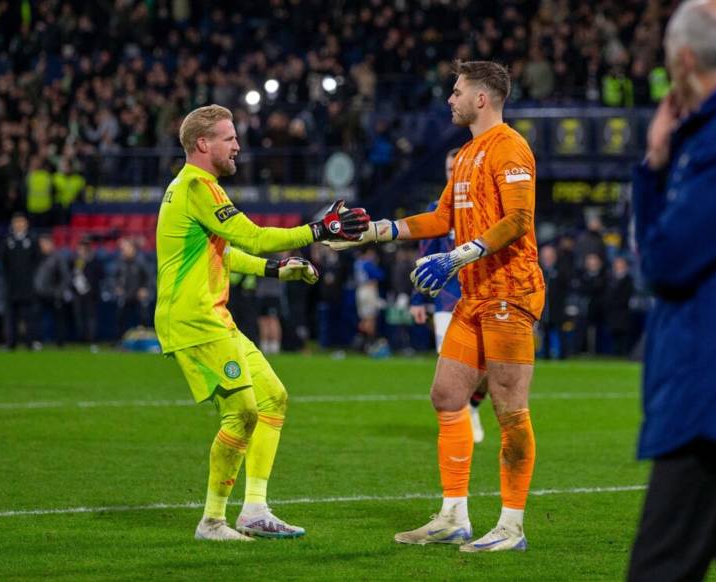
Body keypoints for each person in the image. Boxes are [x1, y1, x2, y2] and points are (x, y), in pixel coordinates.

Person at [329, 60, 544, 552]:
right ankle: (454, 516)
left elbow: (519, 219)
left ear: (482, 98)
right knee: (447, 395)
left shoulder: (509, 147)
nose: (450, 98)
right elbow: (440, 216)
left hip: (510, 290)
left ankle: (512, 525)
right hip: (474, 293)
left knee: (510, 410)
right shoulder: (467, 154)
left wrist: (460, 254)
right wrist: (378, 231)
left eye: (457, 90)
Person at [155, 104, 369, 542]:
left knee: (272, 399)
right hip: (193, 320)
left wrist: (274, 270)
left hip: (213, 316)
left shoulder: (196, 188)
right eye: (229, 137)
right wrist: (318, 230)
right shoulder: (198, 186)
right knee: (243, 412)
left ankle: (254, 510)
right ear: (203, 144)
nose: (237, 145)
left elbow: (225, 252)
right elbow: (253, 236)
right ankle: (212, 521)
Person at [627, 1, 716, 580]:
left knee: (659, 569)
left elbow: (665, 263)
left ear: (683, 61)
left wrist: (654, 167)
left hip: (713, 401)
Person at [410, 147, 487, 443]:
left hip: (482, 296)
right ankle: (457, 425)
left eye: (456, 169)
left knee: (487, 371)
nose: (451, 175)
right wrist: (419, 299)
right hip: (446, 299)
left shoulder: (484, 205)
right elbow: (425, 256)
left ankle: (473, 406)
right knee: (452, 363)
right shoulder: (437, 208)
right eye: (447, 170)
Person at [0, 213, 41, 350]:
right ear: (12, 224)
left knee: (28, 316)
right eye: (16, 222)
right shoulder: (7, 241)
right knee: (11, 317)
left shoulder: (32, 241)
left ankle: (30, 342)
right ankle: (11, 343)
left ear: (26, 224)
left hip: (27, 286)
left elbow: (37, 261)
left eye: (21, 222)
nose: (19, 225)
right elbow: (3, 262)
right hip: (12, 286)